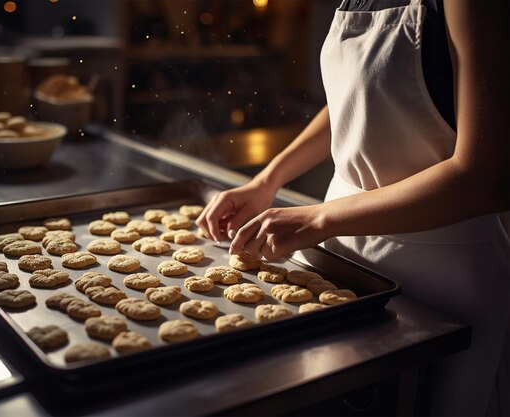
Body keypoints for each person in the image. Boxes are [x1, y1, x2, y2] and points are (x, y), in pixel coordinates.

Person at [196, 0, 509, 415]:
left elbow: (487, 177)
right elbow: (358, 95)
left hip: (438, 278)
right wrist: (266, 181)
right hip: (338, 259)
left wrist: (319, 218)